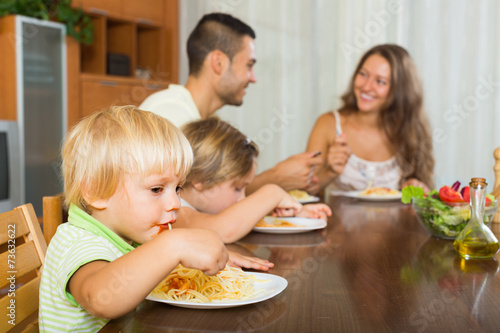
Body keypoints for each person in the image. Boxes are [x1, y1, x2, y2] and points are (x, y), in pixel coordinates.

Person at [38, 106, 271, 332]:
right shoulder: (76, 241)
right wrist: (173, 245)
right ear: (98, 191)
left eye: (178, 188)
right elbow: (99, 298)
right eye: (157, 189)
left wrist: (203, 258)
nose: (175, 203)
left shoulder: (130, 233)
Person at [139, 12, 321, 194]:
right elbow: (184, 205)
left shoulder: (200, 117)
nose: (253, 78)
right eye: (249, 65)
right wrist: (275, 179)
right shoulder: (170, 114)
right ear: (218, 63)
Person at [175, 117, 332, 243]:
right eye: (237, 188)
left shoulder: (197, 207)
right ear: (200, 180)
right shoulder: (174, 211)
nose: (242, 198)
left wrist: (296, 213)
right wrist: (272, 193)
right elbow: (224, 228)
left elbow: (236, 216)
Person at [306, 44, 434, 194]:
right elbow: (305, 192)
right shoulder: (328, 124)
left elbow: (426, 198)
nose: (366, 87)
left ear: (400, 90)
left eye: (380, 81)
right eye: (363, 74)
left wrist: (419, 190)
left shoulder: (411, 131)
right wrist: (330, 172)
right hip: (337, 217)